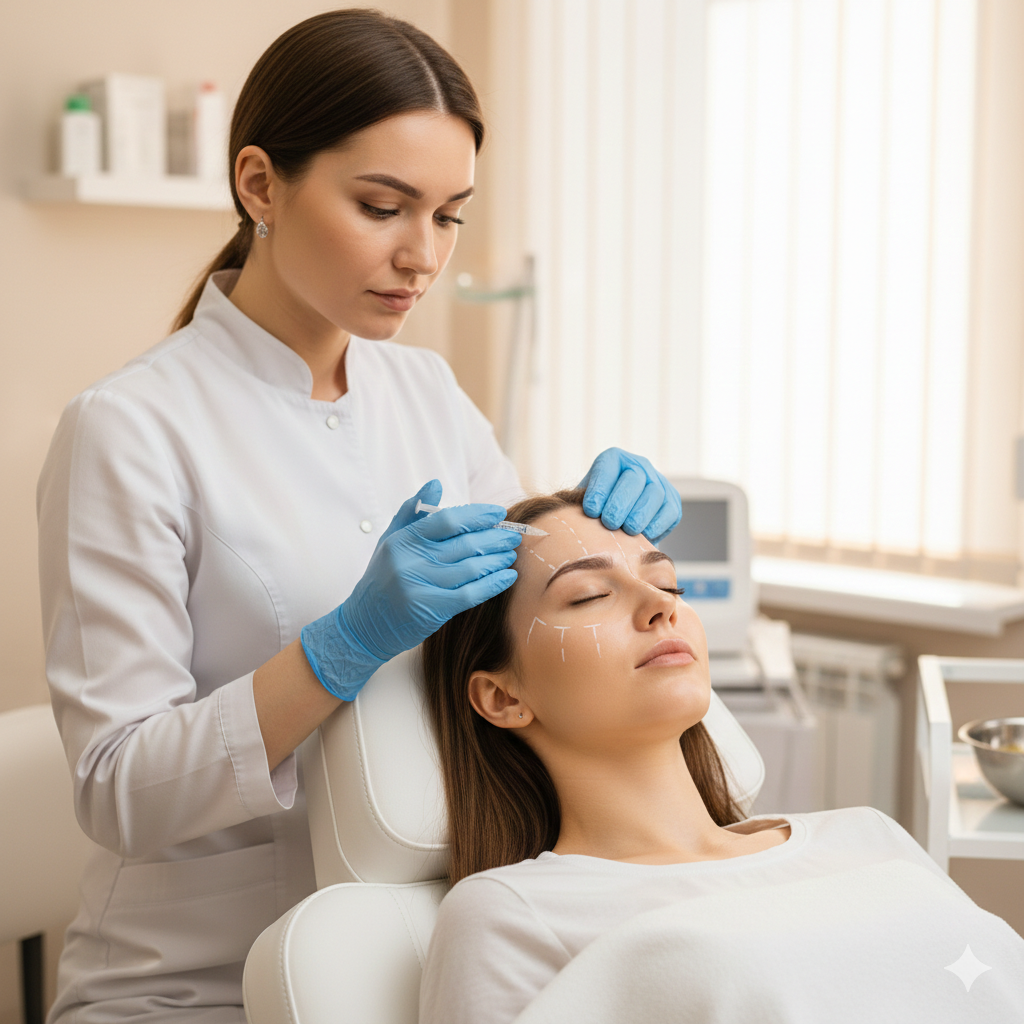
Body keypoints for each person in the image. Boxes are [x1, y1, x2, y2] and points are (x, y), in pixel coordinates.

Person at [35, 12, 682, 1022]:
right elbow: (121, 789)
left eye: (449, 214)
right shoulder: (128, 429)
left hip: (419, 953)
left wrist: (603, 540)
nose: (422, 255)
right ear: (260, 185)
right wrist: (339, 648)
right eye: (383, 206)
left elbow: (516, 636)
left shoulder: (428, 392)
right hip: (194, 981)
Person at [419, 489, 1024, 1024]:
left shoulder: (866, 835)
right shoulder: (510, 914)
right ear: (502, 697)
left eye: (667, 581)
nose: (662, 606)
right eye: (589, 595)